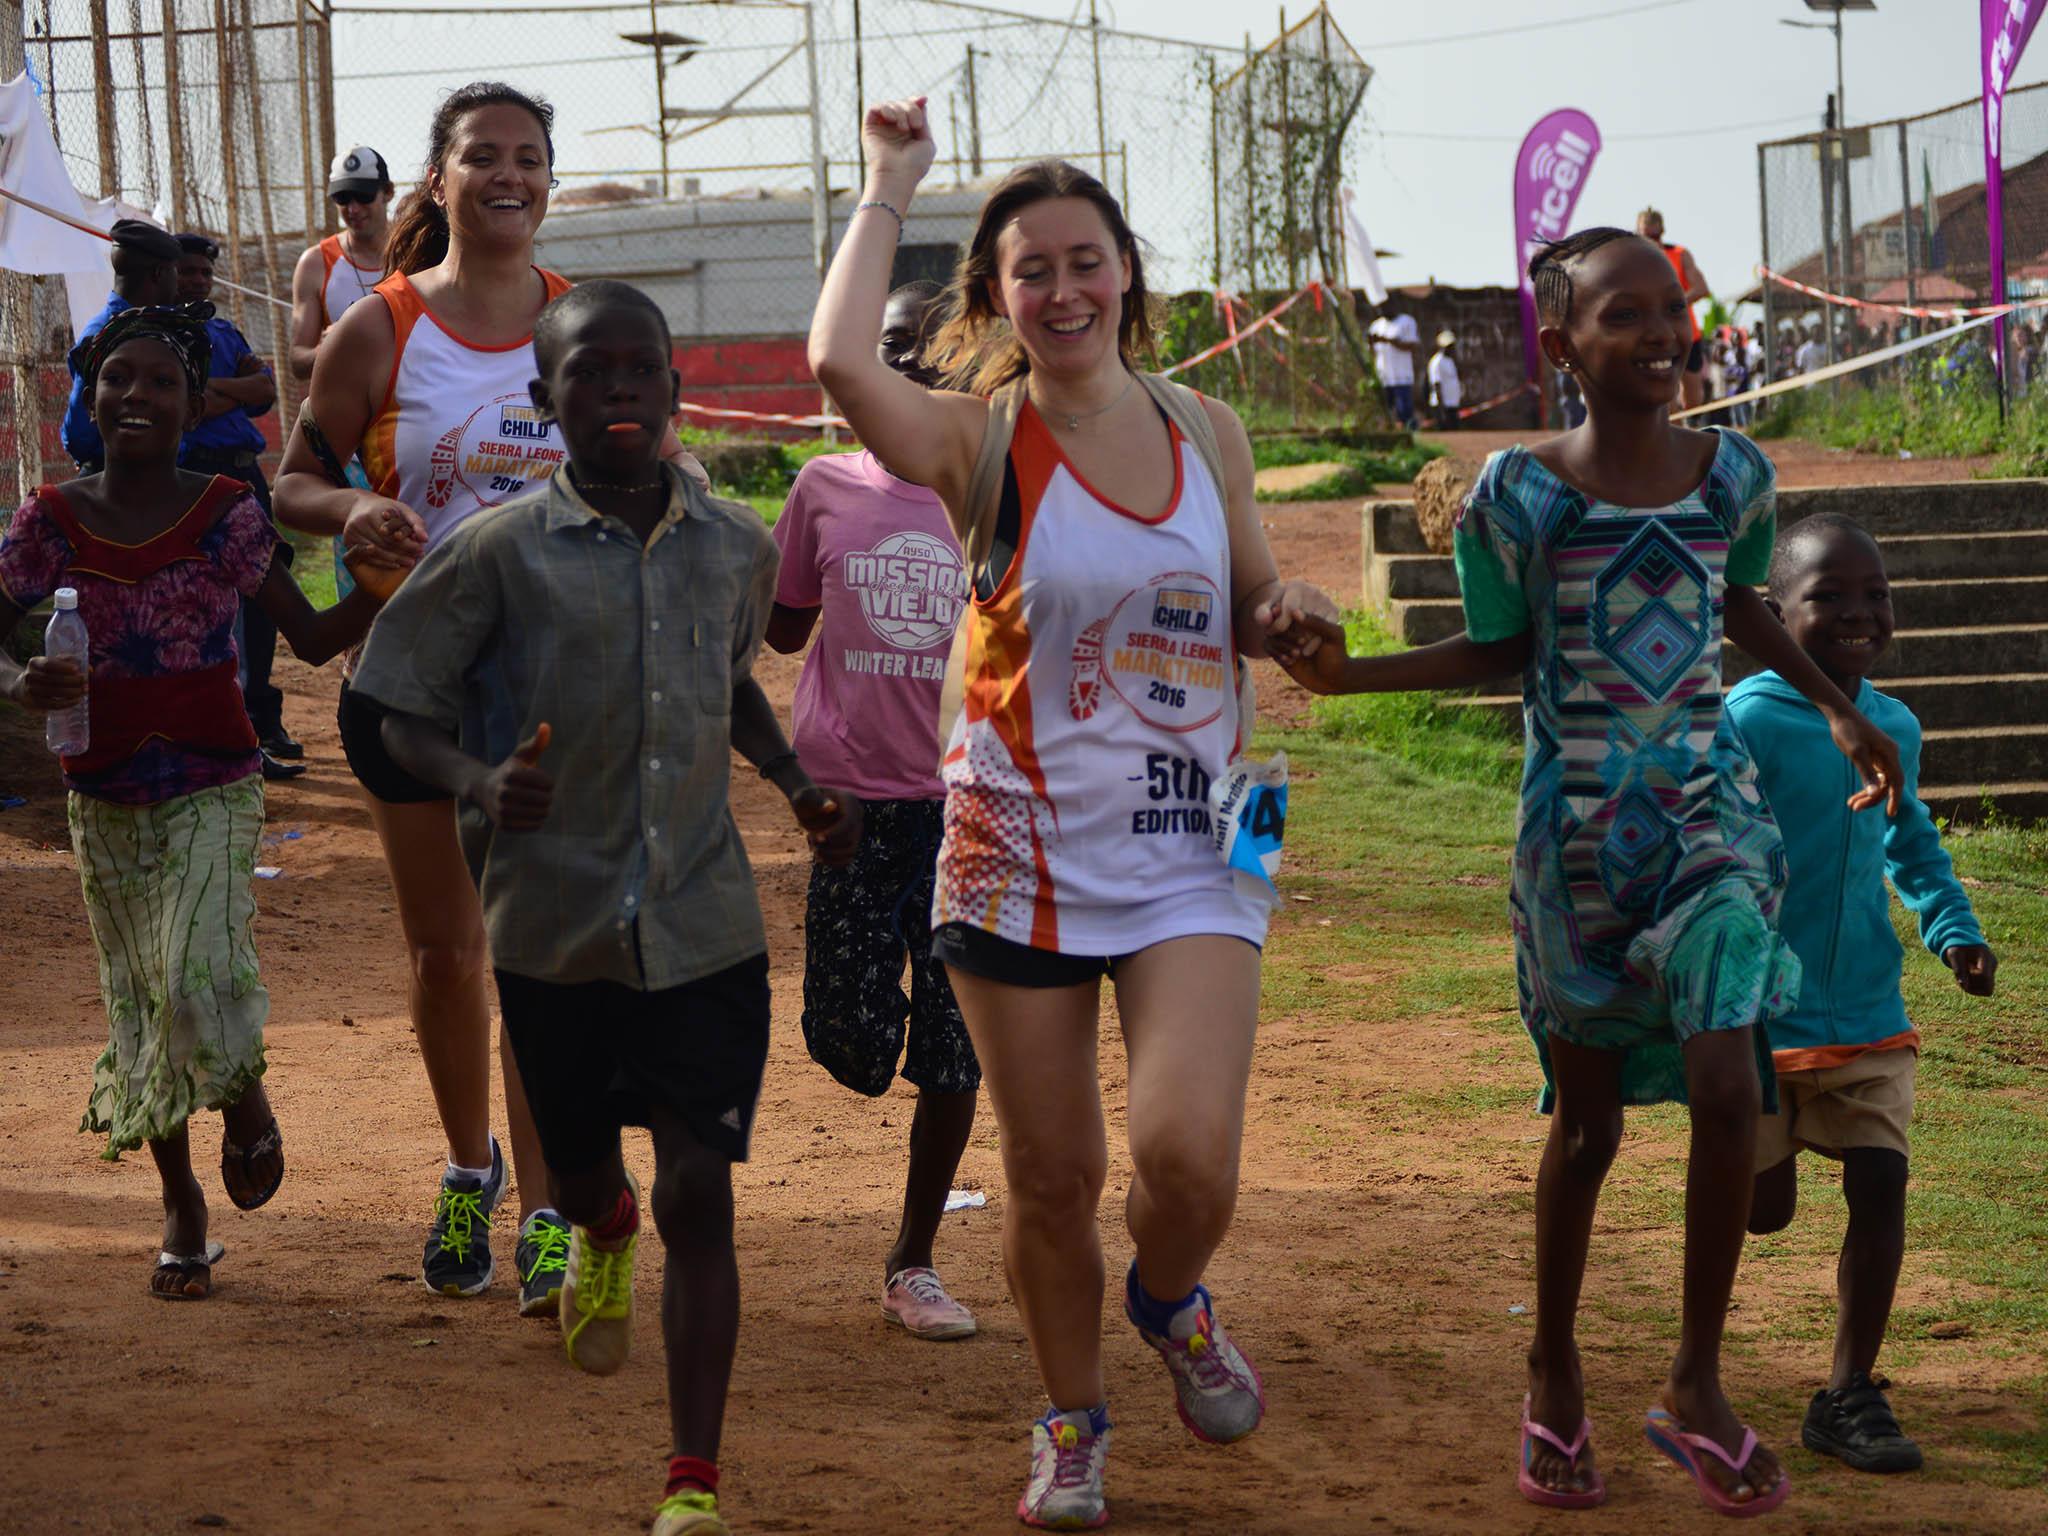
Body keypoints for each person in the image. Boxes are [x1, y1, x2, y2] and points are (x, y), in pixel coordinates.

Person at [1271, 228, 1904, 1519]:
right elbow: (1497, 651)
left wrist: (1838, 706)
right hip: (1573, 845)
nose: (1662, 335)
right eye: (1625, 317)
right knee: (1590, 1126)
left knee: (1731, 1081)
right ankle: (1553, 1363)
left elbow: (1737, 609)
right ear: (1562, 345)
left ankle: (1694, 1382)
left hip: (1702, 821)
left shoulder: (1736, 477)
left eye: (1671, 310)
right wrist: (1356, 677)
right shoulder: (1520, 496)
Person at [809, 98, 1341, 1529]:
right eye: (1030, 269)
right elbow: (836, 360)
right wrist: (888, 181)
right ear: (996, 297)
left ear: (1128, 276)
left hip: (1205, 833)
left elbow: (1248, 601)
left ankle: (1169, 1300)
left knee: (1188, 1158)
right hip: (1011, 842)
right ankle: (1072, 1417)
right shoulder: (976, 447)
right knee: (1052, 1175)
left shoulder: (1207, 429)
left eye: (1086, 260)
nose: (1063, 290)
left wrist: (1290, 607)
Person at [353, 279, 862, 1536]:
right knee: (586, 1178)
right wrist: (476, 779)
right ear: (545, 402)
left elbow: (729, 685)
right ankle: (598, 1221)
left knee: (703, 1190)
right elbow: (385, 706)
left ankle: (691, 1479)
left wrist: (795, 782)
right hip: (553, 930)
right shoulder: (494, 553)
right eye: (592, 373)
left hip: (704, 925)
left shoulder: (735, 544)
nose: (621, 390)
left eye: (643, 371)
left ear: (677, 394)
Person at [0, 304, 382, 1299]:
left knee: (190, 972)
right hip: (103, 788)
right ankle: (181, 1208)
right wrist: (25, 678)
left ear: (194, 404)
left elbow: (304, 637)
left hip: (215, 781)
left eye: (160, 382)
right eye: (116, 380)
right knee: (142, 1000)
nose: (135, 396)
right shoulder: (51, 519)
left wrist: (389, 586)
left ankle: (246, 1100)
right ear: (89, 399)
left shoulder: (224, 511)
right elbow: (5, 624)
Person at [274, 82, 581, 1313]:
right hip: (413, 691)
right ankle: (470, 1168)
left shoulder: (588, 322)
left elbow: (652, 467)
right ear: (439, 184)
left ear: (548, 180)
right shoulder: (383, 328)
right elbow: (294, 480)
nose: (508, 176)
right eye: (482, 158)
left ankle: (549, 1207)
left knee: (543, 959)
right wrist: (353, 505)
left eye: (529, 158)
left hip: (557, 695)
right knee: (448, 955)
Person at [1729, 515, 1997, 1477]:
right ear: (1770, 613)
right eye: (1828, 595)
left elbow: (1912, 844)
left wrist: (1953, 929)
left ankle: (1847, 1392)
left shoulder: (1897, 727)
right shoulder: (1746, 721)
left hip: (1867, 1007)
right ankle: (1701, 1365)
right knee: (1759, 1211)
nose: (1858, 612)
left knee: (1881, 1180)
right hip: (1756, 1015)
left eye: (1874, 593)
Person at [766, 277, 981, 1343]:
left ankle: (913, 1259)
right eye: (887, 348)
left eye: (927, 350)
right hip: (852, 808)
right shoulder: (820, 489)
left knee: (953, 1051)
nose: (906, 369)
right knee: (848, 1043)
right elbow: (778, 626)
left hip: (971, 808)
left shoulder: (993, 491)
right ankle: (882, 1011)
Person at [173, 234, 302, 780]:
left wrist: (211, 391)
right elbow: (181, 399)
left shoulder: (223, 332)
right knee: (207, 603)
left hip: (243, 472)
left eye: (206, 273)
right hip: (196, 473)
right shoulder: (162, 334)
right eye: (189, 272)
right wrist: (233, 394)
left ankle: (261, 721)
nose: (200, 282)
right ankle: (222, 730)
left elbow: (266, 388)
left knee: (263, 595)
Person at [60, 220, 183, 474]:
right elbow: (80, 435)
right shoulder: (105, 335)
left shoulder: (152, 325)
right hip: (113, 477)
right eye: (175, 271)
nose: (179, 283)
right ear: (159, 274)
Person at [289, 145, 393, 381]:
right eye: (342, 198)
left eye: (364, 196)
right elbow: (297, 362)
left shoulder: (418, 250)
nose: (353, 209)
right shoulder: (315, 263)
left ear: (387, 192)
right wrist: (329, 348)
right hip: (348, 406)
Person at [1637, 208, 1711, 411]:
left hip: (1687, 333)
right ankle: (1674, 437)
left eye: (1656, 235)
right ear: (1638, 234)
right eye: (1647, 236)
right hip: (1655, 335)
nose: (1653, 241)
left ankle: (1686, 431)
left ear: (1662, 231)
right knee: (1667, 398)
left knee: (1694, 399)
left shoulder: (1679, 254)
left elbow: (1702, 289)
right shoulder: (1634, 262)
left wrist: (1673, 305)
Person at [1368, 302, 1421, 428]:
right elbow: (1371, 351)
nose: (1382, 310)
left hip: (1402, 376)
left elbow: (1412, 346)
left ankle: (1410, 437)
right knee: (1383, 412)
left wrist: (1388, 341)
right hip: (1383, 377)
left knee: (1404, 412)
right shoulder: (1376, 325)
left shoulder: (1407, 321)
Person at [1426, 328, 1461, 431]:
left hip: (1452, 405)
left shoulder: (1450, 360)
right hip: (1442, 407)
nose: (1452, 348)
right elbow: (1436, 385)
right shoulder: (1437, 362)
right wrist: (1442, 411)